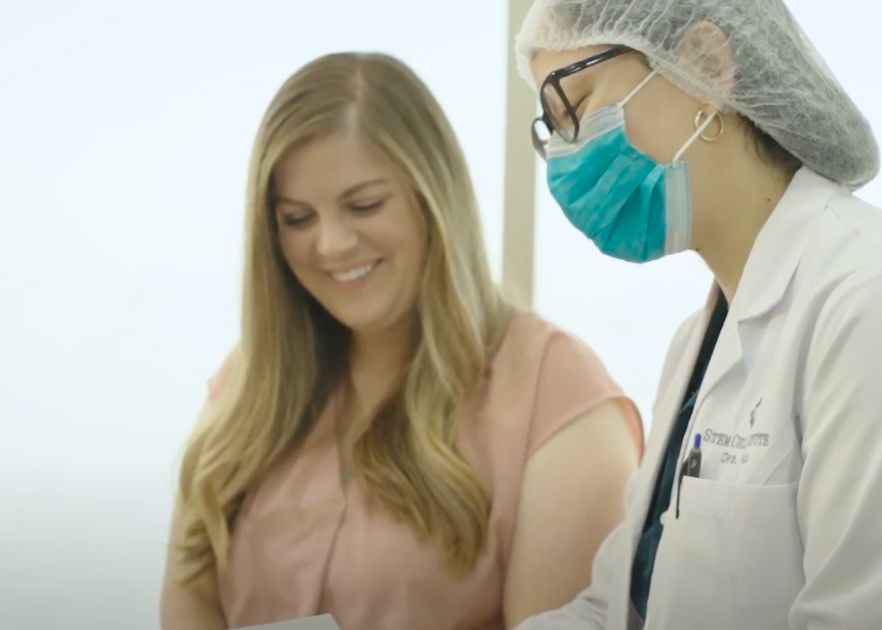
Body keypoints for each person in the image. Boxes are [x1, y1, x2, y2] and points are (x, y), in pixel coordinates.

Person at [514, 1, 882, 629]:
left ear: (705, 64)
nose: (570, 160)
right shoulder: (700, 343)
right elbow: (618, 607)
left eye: (579, 108)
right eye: (556, 132)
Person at [159, 52, 643, 630]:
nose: (331, 244)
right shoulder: (244, 386)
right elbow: (188, 598)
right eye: (297, 218)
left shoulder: (556, 397)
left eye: (364, 205)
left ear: (432, 197)